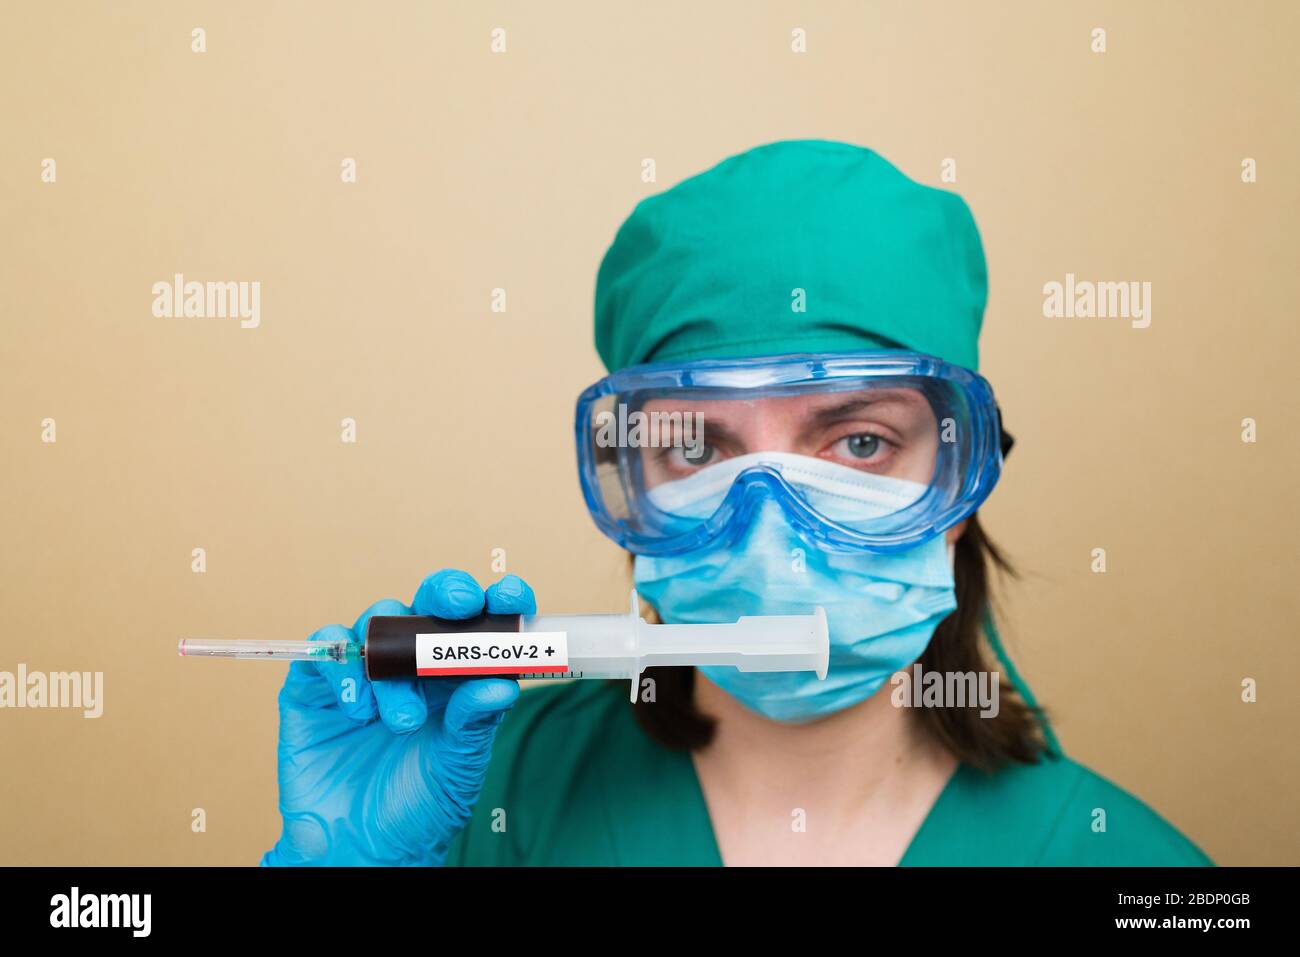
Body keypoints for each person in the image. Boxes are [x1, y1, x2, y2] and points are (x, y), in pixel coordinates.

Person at [261, 140, 1211, 866]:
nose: (769, 523)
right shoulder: (485, 794)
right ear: (634, 482)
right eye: (693, 446)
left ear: (959, 485)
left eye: (860, 442)